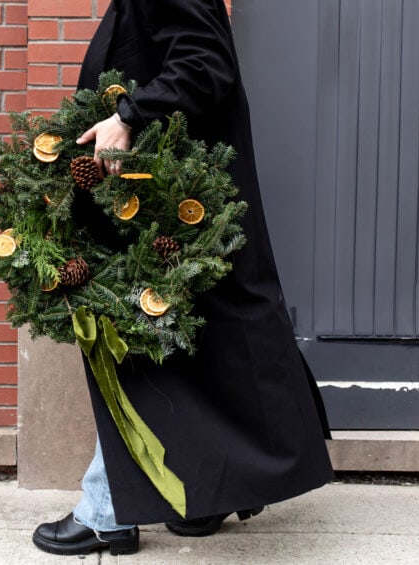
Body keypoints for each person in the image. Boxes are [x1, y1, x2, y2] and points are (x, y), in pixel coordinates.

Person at [32, 0, 334, 556]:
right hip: (174, 202)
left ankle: (107, 512)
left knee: (136, 347)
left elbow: (204, 63)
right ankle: (203, 503)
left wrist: (127, 117)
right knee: (196, 348)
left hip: (177, 205)